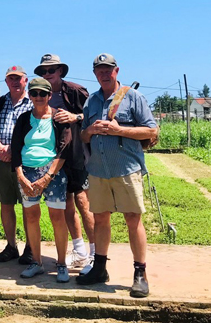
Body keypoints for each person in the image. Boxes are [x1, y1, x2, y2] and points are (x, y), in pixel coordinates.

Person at [76, 54, 159, 298]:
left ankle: (140, 274)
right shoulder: (91, 101)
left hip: (126, 168)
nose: (104, 73)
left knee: (133, 219)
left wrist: (118, 129)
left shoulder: (133, 97)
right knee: (100, 218)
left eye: (108, 69)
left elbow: (151, 130)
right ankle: (100, 269)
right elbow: (83, 136)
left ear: (116, 71)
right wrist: (89, 130)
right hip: (99, 170)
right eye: (99, 70)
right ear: (94, 73)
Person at [34, 54, 95, 271]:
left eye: (51, 70)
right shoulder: (41, 93)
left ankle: (96, 253)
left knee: (83, 200)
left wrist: (74, 117)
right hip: (54, 156)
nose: (47, 74)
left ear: (60, 71)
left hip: (77, 152)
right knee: (66, 201)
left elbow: (92, 116)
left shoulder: (76, 91)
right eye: (43, 72)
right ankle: (79, 251)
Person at [11, 78, 72, 281]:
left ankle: (61, 263)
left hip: (53, 172)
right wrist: (20, 176)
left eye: (42, 94)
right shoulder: (23, 119)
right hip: (27, 171)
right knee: (31, 217)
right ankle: (36, 262)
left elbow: (63, 150)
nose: (38, 97)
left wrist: (48, 176)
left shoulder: (58, 118)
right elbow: (16, 148)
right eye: (34, 93)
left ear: (49, 96)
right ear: (30, 95)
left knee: (57, 217)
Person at [0, 66, 34, 264]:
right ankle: (11, 246)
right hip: (3, 161)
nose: (15, 82)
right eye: (10, 79)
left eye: (18, 78)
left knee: (28, 206)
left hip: (25, 162)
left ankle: (31, 247)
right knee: (6, 204)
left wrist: (14, 150)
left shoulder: (33, 102)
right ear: (6, 82)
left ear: (26, 80)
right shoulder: (1, 101)